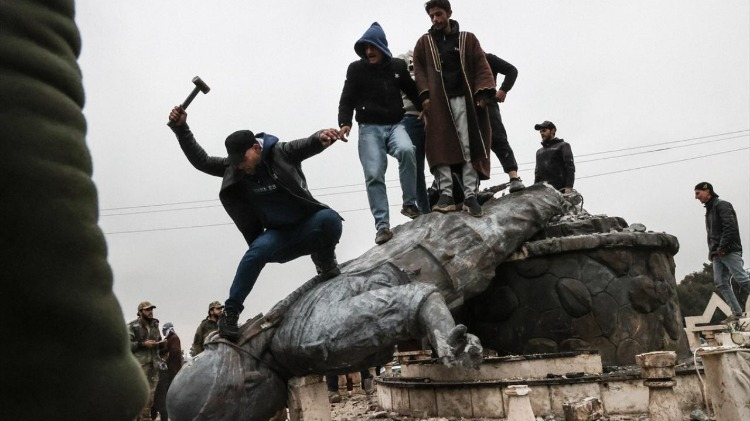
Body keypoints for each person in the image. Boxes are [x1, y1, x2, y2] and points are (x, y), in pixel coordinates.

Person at [168, 106, 344, 342]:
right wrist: (181, 129)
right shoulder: (234, 168)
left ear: (256, 148)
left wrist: (320, 137)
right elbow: (203, 161)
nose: (241, 166)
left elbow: (305, 145)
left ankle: (324, 258)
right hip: (278, 237)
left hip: (307, 226)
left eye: (243, 160)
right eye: (236, 162)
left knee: (330, 219)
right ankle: (231, 312)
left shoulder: (280, 153)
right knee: (255, 253)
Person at [338, 22, 423, 245]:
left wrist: (424, 108)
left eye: (372, 47)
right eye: (365, 48)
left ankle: (409, 204)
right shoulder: (356, 70)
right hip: (369, 128)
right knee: (374, 174)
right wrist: (345, 122)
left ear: (382, 46)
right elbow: (347, 98)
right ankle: (382, 226)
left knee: (407, 150)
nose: (368, 52)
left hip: (395, 124)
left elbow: (411, 90)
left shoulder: (397, 66)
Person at [413, 0, 496, 217]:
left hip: (464, 101)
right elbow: (419, 71)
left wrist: (482, 94)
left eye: (439, 14)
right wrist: (425, 97)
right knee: (439, 147)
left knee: (468, 146)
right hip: (438, 104)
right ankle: (446, 194)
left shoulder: (468, 39)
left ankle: (470, 195)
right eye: (432, 16)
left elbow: (481, 65)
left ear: (449, 13)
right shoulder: (424, 43)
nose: (435, 19)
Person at [694, 182, 750, 323]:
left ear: (707, 191)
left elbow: (729, 227)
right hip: (717, 252)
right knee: (720, 282)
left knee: (742, 279)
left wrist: (723, 247)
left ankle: (737, 313)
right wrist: (713, 251)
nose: (696, 197)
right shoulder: (710, 209)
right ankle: (737, 313)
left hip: (728, 250)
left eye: (698, 193)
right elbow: (713, 233)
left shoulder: (722, 205)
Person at [485, 53, 524, 193]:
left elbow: (511, 70)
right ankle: (471, 188)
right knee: (470, 145)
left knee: (498, 138)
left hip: (488, 102)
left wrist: (503, 89)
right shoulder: (460, 61)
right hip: (468, 106)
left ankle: (513, 176)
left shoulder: (487, 58)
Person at [398, 50, 430, 214]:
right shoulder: (404, 59)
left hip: (437, 117)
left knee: (446, 161)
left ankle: (458, 197)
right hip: (412, 116)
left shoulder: (437, 57)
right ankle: (424, 210)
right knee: (415, 165)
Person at [128, 301, 166, 421]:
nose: (150, 312)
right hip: (140, 366)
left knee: (150, 396)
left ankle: (145, 418)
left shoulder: (155, 326)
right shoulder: (133, 326)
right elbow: (126, 344)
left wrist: (161, 344)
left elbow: (158, 340)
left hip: (154, 366)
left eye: (151, 309)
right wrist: (143, 344)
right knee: (138, 395)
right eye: (147, 310)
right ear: (140, 312)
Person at [151, 322, 182, 421]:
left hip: (170, 372)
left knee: (163, 396)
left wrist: (166, 361)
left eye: (164, 330)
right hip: (169, 371)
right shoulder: (169, 339)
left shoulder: (174, 338)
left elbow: (174, 352)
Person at [533, 120, 575, 193]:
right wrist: (534, 191)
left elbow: (570, 167)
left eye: (544, 130)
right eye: (540, 132)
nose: (542, 133)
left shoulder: (563, 146)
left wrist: (569, 187)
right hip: (543, 192)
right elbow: (537, 174)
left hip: (560, 190)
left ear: (552, 131)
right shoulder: (539, 152)